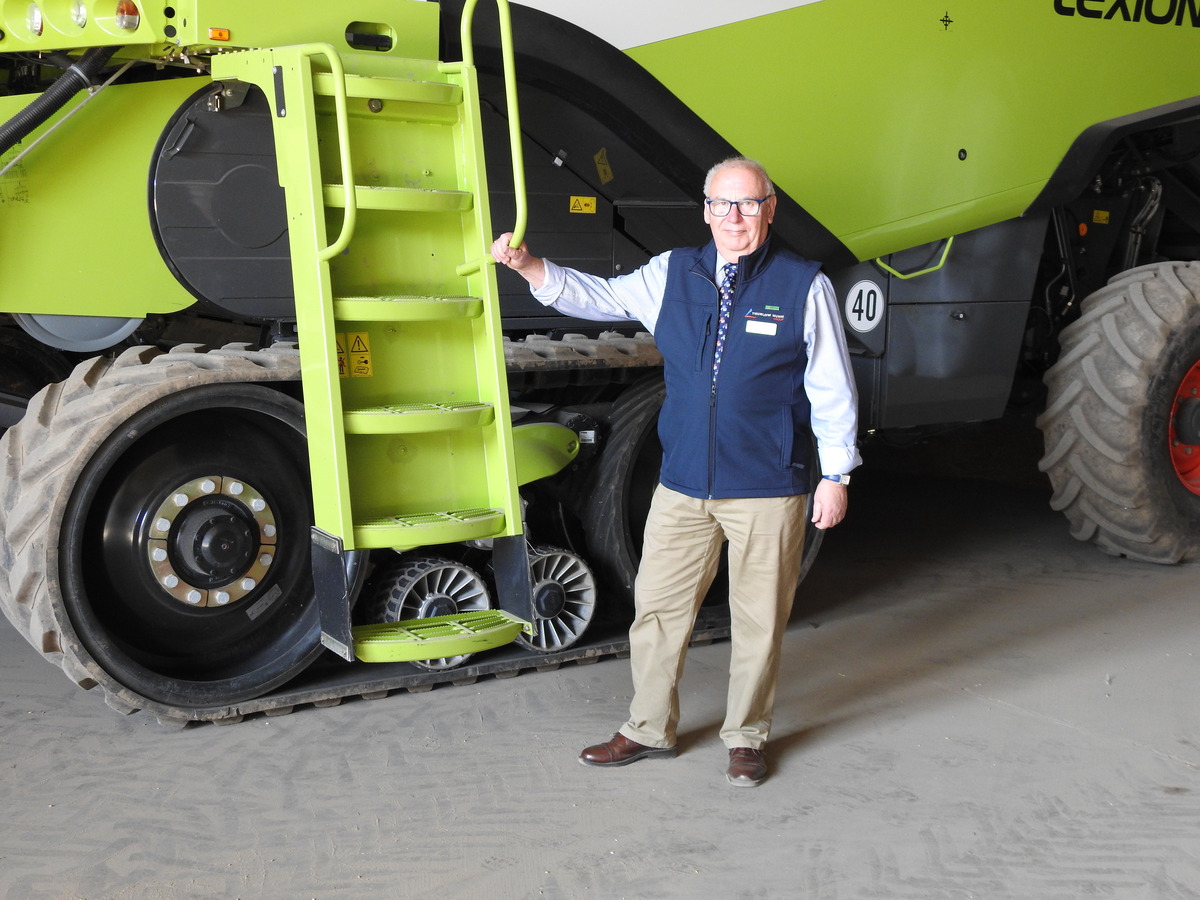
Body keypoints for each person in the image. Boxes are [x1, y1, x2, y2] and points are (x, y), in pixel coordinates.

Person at [491, 157, 860, 787]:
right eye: (722, 204)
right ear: (706, 211)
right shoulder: (672, 272)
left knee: (758, 619)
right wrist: (530, 267)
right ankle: (647, 728)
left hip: (768, 484)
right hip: (684, 481)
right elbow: (600, 297)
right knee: (657, 611)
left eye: (748, 204)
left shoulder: (804, 285)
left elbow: (832, 386)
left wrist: (836, 474)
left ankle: (746, 737)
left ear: (770, 209)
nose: (734, 217)